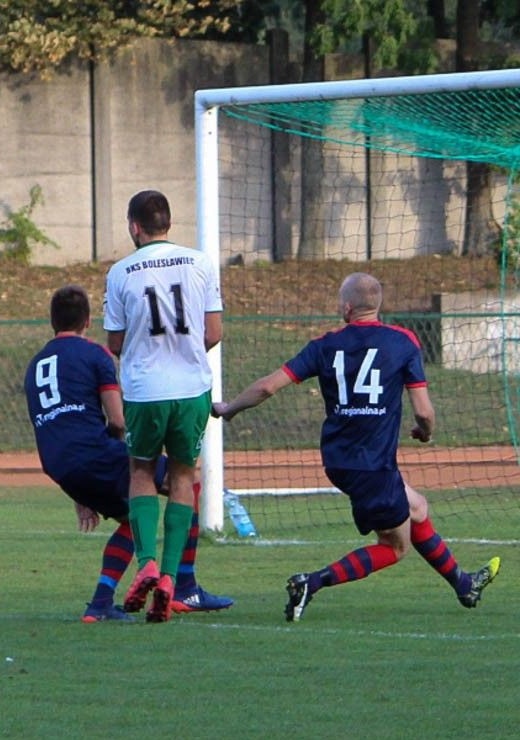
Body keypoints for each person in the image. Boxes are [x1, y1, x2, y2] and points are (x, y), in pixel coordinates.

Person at [212, 272, 500, 622]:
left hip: (340, 460)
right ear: (377, 305)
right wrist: (424, 431)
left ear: (347, 306)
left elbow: (268, 388)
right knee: (395, 548)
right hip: (372, 466)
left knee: (418, 508)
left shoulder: (324, 345)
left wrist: (230, 409)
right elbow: (424, 412)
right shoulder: (403, 341)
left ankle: (463, 584)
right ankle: (311, 582)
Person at [25, 285, 232, 622]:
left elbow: (54, 429)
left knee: (131, 521)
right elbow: (119, 421)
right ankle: (185, 587)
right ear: (89, 321)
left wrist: (79, 493)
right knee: (186, 480)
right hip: (96, 454)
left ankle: (100, 604)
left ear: (51, 322)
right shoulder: (95, 355)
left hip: (59, 465)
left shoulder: (35, 365)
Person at [102, 190, 223, 623]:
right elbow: (213, 331)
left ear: (135, 226)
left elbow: (114, 343)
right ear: (167, 223)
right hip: (191, 389)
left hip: (144, 390)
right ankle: (172, 577)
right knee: (183, 476)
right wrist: (186, 349)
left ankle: (146, 563)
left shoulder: (120, 273)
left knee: (140, 472)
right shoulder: (201, 263)